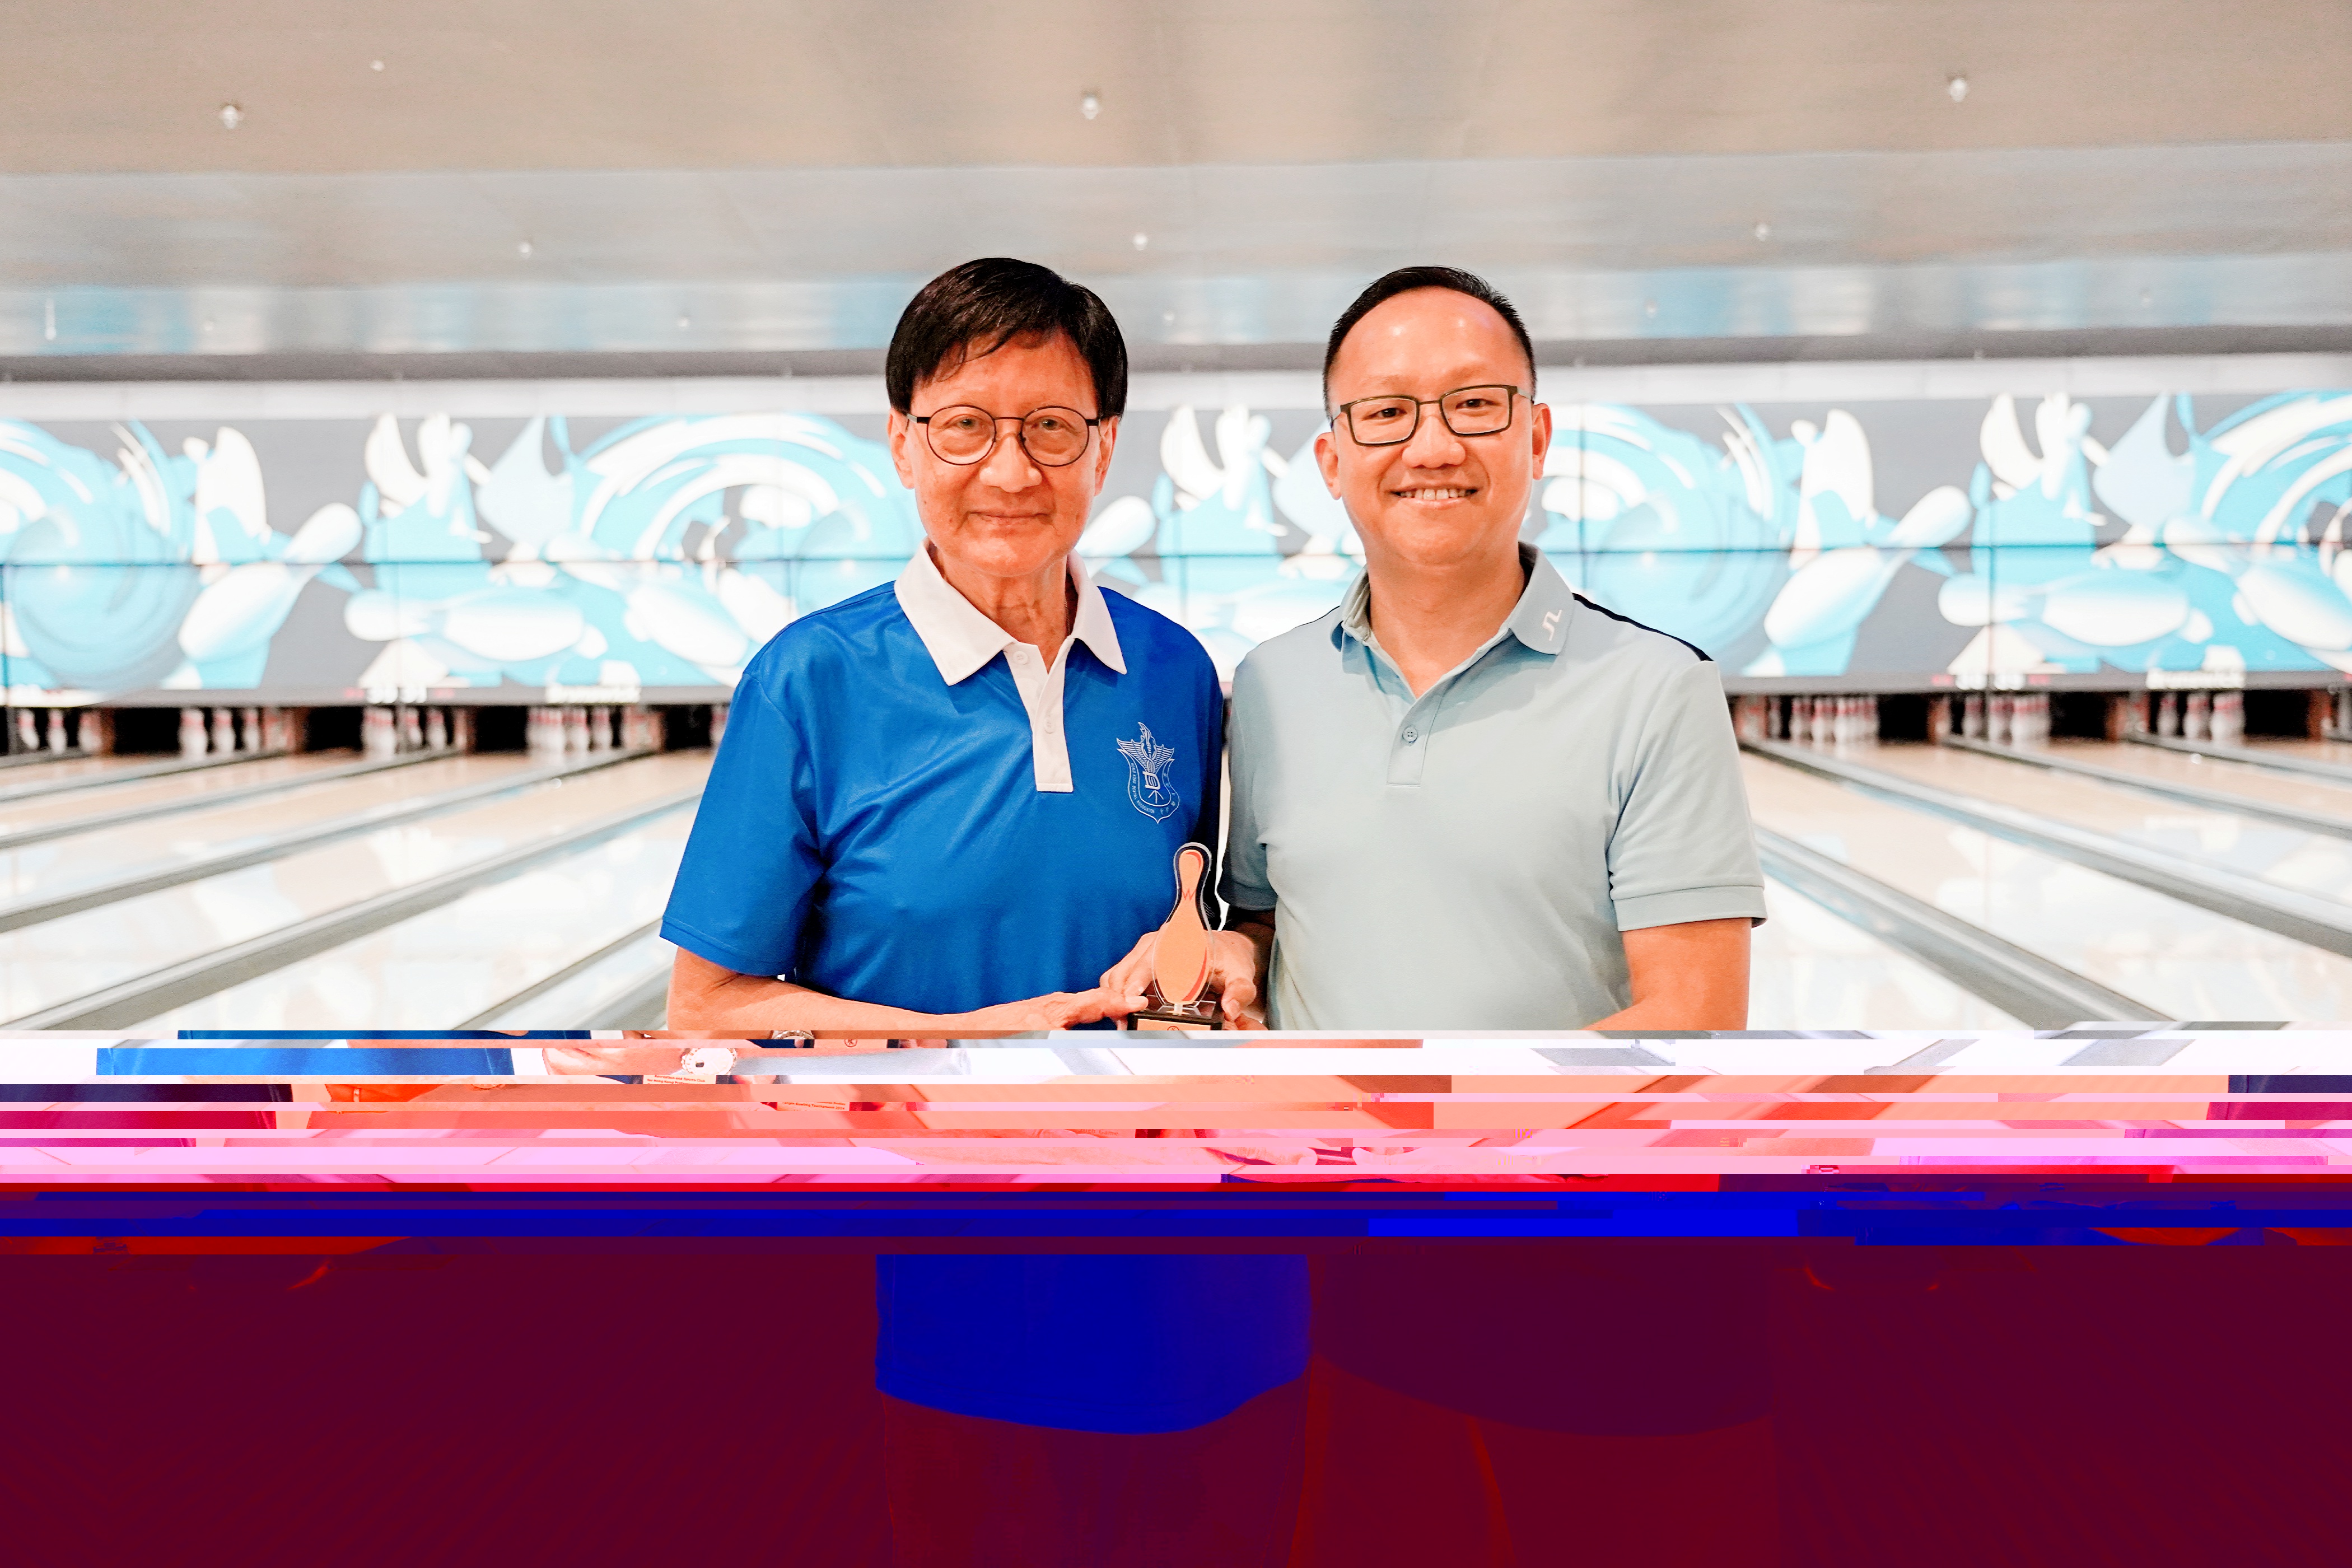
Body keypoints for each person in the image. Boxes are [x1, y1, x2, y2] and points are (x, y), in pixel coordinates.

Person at [1108, 265, 1775, 1564]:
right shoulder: (1273, 687)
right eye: (1387, 412)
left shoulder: (1656, 688)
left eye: (1475, 405)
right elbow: (1267, 919)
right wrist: (1231, 954)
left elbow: (1694, 1023)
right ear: (1331, 457)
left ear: (1536, 435)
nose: (1432, 445)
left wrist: (1410, 1120)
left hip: (1617, 1282)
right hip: (1360, 1290)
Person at [656, 257, 1306, 1567]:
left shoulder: (1175, 671)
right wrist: (983, 1035)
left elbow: (1213, 921)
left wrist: (1227, 957)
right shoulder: (813, 678)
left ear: (1104, 447)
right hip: (929, 1275)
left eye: (1051, 427)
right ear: (904, 443)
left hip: (1183, 1268)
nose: (1010, 467)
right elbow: (709, 1010)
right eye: (965, 426)